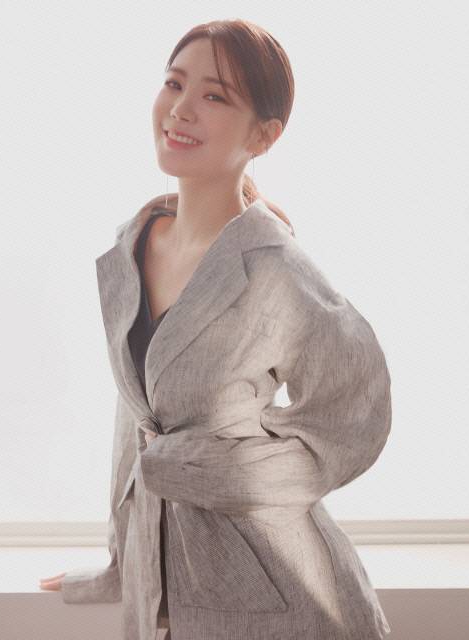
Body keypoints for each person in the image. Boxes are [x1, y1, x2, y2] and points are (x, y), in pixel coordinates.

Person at [40, 18, 392, 640]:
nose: (181, 108)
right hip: (168, 593)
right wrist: (122, 565)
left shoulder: (277, 270)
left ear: (264, 135)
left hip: (286, 593)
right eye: (175, 83)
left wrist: (208, 470)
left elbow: (353, 421)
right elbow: (137, 422)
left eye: (214, 96)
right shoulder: (132, 245)